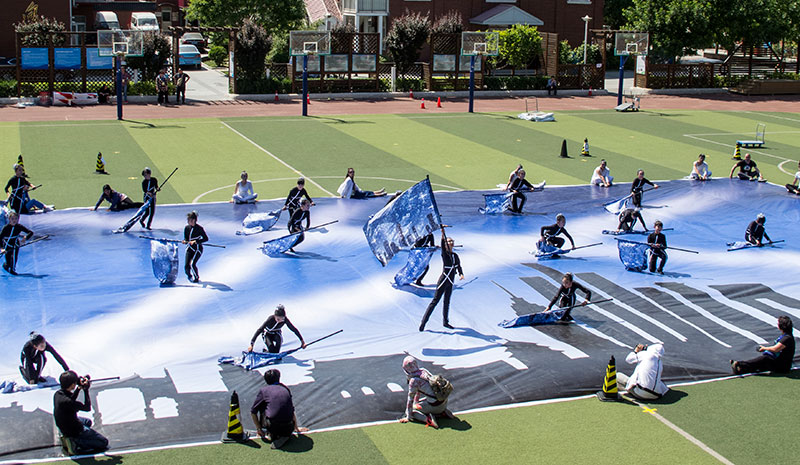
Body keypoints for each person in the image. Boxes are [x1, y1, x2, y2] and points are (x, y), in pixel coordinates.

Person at [419, 226, 463, 331]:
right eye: (449, 241)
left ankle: (445, 322)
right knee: (435, 301)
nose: (451, 242)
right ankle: (423, 323)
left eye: (452, 241)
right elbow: (443, 246)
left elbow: (458, 266)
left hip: (451, 280)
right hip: (443, 280)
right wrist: (443, 234)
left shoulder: (455, 255)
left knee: (447, 301)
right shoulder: (445, 254)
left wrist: (461, 274)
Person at [53, 371, 109, 454]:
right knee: (103, 442)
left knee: (88, 422)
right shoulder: (68, 402)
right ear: (72, 385)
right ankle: (76, 443)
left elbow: (70, 398)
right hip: (74, 428)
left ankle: (68, 437)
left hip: (64, 424)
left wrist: (79, 388)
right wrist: (86, 390)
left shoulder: (58, 394)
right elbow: (87, 407)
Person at [250, 369, 307, 449]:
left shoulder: (264, 391)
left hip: (274, 428)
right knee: (281, 405)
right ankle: (284, 434)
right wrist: (296, 428)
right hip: (289, 427)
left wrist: (259, 429)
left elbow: (253, 411)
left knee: (262, 405)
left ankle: (270, 433)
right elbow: (291, 409)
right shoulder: (285, 388)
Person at [398, 356, 454, 429]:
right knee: (422, 402)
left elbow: (410, 399)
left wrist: (408, 416)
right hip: (444, 400)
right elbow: (420, 391)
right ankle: (441, 412)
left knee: (413, 411)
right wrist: (416, 402)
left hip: (436, 405)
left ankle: (428, 419)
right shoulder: (423, 371)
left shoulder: (413, 381)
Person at [1, 211, 34, 275]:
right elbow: (0, 238)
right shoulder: (5, 228)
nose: (14, 220)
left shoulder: (19, 227)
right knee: (8, 259)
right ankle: (7, 265)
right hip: (7, 245)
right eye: (12, 219)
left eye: (16, 219)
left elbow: (30, 232)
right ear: (9, 219)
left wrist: (26, 237)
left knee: (14, 257)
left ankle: (12, 269)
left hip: (15, 244)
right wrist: (2, 248)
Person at [182, 211, 208, 283]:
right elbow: (186, 239)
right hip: (190, 248)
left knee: (193, 264)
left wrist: (196, 241)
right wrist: (185, 241)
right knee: (186, 266)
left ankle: (196, 278)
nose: (188, 221)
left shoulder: (199, 228)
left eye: (189, 220)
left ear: (194, 220)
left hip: (197, 249)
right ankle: (189, 275)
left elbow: (206, 238)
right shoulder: (186, 228)